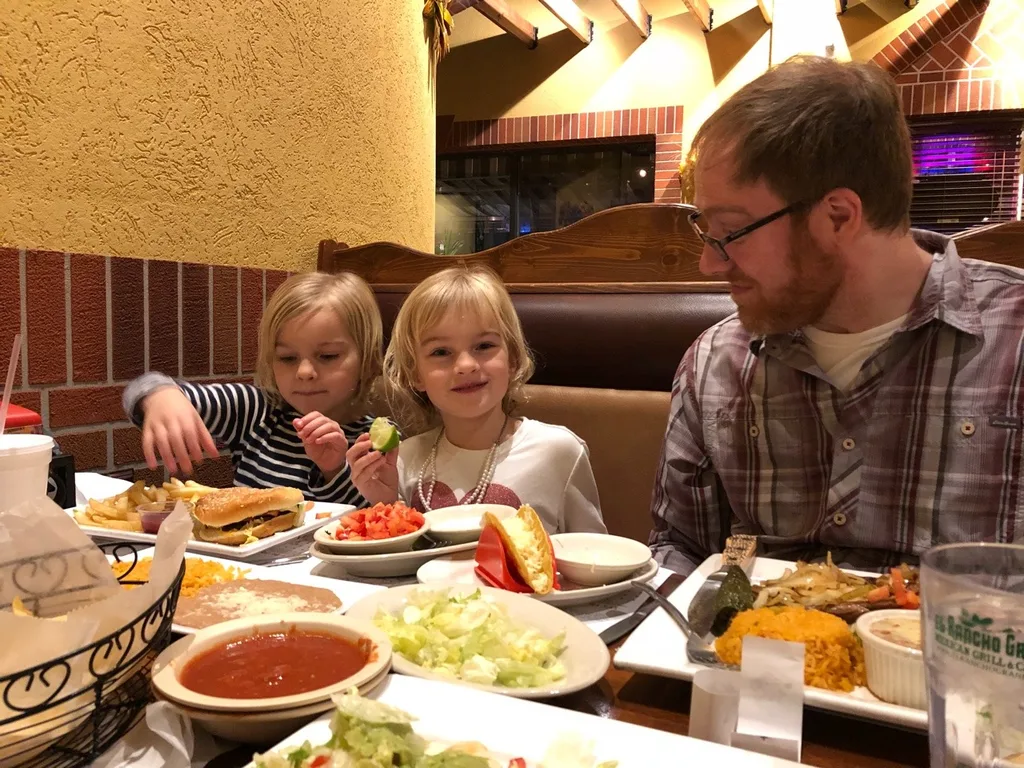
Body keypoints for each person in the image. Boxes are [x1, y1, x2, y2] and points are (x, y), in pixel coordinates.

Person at [650, 55, 1024, 575]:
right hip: (748, 652)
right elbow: (681, 550)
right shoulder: (716, 363)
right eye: (703, 229)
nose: (708, 262)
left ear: (838, 216)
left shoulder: (1015, 343)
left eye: (730, 230)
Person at [346, 265, 607, 534]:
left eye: (484, 346)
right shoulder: (404, 460)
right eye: (441, 351)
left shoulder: (559, 451)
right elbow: (397, 567)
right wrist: (384, 503)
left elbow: (593, 557)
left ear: (513, 359)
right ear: (415, 374)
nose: (466, 365)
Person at [122, 272, 382, 505]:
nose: (304, 372)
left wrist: (334, 469)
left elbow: (376, 522)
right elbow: (140, 388)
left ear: (368, 361)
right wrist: (161, 396)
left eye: (327, 356)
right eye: (287, 358)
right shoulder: (256, 410)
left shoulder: (379, 439)